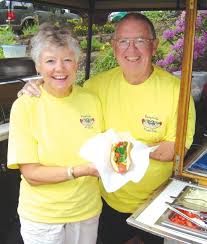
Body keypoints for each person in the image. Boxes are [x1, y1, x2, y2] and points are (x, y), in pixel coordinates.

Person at [17, 13, 196, 244]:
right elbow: (63, 88)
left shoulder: (177, 91)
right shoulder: (96, 86)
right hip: (105, 201)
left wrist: (133, 151)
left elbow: (177, 147)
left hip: (155, 202)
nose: (131, 50)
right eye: (123, 41)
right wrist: (38, 84)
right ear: (113, 46)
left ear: (154, 45)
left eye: (140, 41)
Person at [7, 23, 104, 244]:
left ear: (77, 64)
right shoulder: (25, 105)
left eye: (67, 60)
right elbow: (32, 173)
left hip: (86, 211)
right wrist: (80, 171)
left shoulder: (91, 100)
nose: (60, 68)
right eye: (50, 61)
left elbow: (105, 147)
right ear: (38, 66)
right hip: (44, 218)